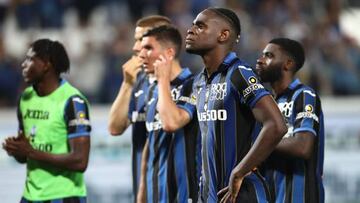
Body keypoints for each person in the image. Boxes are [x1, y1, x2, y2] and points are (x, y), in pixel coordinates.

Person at [154, 7, 288, 203]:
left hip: (243, 193)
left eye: (200, 26)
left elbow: (277, 125)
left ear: (223, 35)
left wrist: (239, 172)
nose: (191, 30)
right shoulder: (199, 81)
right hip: (210, 195)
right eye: (192, 25)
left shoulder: (238, 73)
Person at [2, 39, 91, 202]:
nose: (23, 64)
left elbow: (80, 161)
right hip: (30, 196)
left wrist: (30, 151)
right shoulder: (25, 98)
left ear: (46, 64)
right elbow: (26, 156)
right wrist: (18, 150)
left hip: (64, 196)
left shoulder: (73, 101)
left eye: (30, 59)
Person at [107, 15, 171, 201]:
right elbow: (115, 127)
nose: (135, 48)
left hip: (169, 191)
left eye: (141, 40)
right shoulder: (138, 82)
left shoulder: (180, 84)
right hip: (142, 189)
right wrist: (128, 84)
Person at [256, 38, 325, 203]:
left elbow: (303, 147)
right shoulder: (266, 104)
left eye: (269, 55)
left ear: (287, 64)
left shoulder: (303, 95)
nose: (260, 60)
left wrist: (257, 143)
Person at [138, 25, 201, 203]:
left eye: (149, 48)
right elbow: (150, 143)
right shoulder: (151, 91)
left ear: (169, 53)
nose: (141, 55)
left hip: (185, 194)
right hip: (155, 195)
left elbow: (171, 123)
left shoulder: (194, 84)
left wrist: (163, 81)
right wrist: (142, 193)